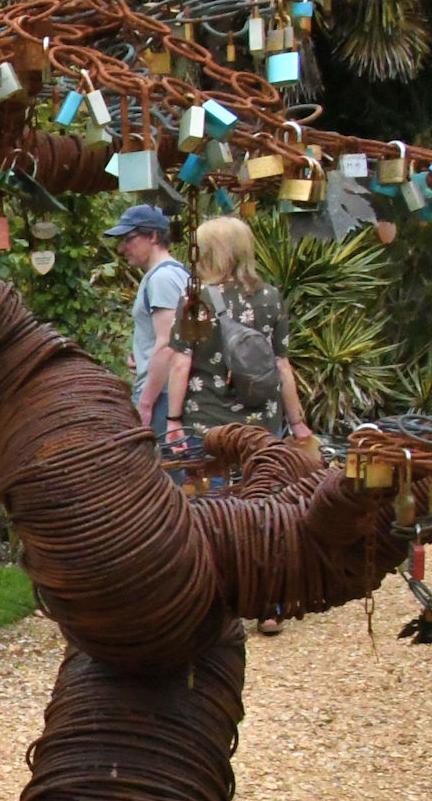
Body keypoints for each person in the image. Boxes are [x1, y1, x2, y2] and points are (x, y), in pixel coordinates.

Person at [167, 214, 313, 635]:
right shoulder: (270, 297)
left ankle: (217, 605)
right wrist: (298, 423)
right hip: (261, 424)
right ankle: (270, 604)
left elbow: (181, 363)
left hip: (208, 425)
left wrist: (172, 419)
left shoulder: (196, 299)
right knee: (266, 508)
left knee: (211, 510)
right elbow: (282, 365)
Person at [102, 202, 188, 436]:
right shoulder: (175, 272)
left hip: (162, 396)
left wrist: (146, 403)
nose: (121, 249)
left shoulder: (162, 278)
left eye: (128, 239)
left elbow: (168, 343)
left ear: (153, 237)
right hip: (164, 390)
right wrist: (141, 359)